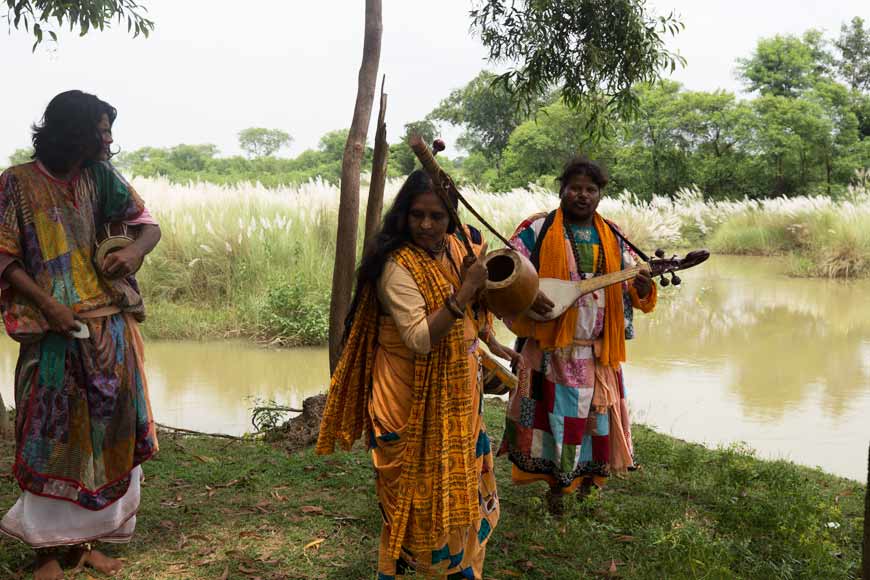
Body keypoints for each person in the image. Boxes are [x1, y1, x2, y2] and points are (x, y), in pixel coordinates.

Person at [317, 170, 516, 579]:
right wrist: (465, 290)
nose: (426, 225)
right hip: (406, 403)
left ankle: (463, 569)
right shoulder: (395, 266)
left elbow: (476, 312)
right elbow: (419, 338)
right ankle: (406, 568)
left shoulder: (460, 248)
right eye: (416, 215)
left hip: (459, 397)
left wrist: (492, 342)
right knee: (413, 502)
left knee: (462, 487)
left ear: (451, 219)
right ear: (402, 216)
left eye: (436, 217)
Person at [0, 90, 161, 580]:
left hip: (109, 327)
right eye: (102, 130)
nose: (109, 140)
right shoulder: (15, 184)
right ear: (73, 131)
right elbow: (3, 257)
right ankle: (45, 553)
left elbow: (147, 226)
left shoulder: (101, 177)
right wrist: (47, 302)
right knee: (48, 435)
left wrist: (133, 254)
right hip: (51, 333)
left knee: (107, 436)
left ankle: (83, 544)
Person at [498, 157, 657, 515]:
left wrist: (642, 285)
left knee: (594, 424)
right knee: (549, 424)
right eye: (575, 188)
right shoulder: (537, 229)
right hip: (548, 350)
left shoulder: (613, 236)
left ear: (600, 194)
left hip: (596, 354)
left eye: (591, 189)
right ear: (562, 190)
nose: (583, 195)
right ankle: (556, 487)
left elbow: (634, 287)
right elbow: (505, 270)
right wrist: (527, 294)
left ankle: (588, 486)